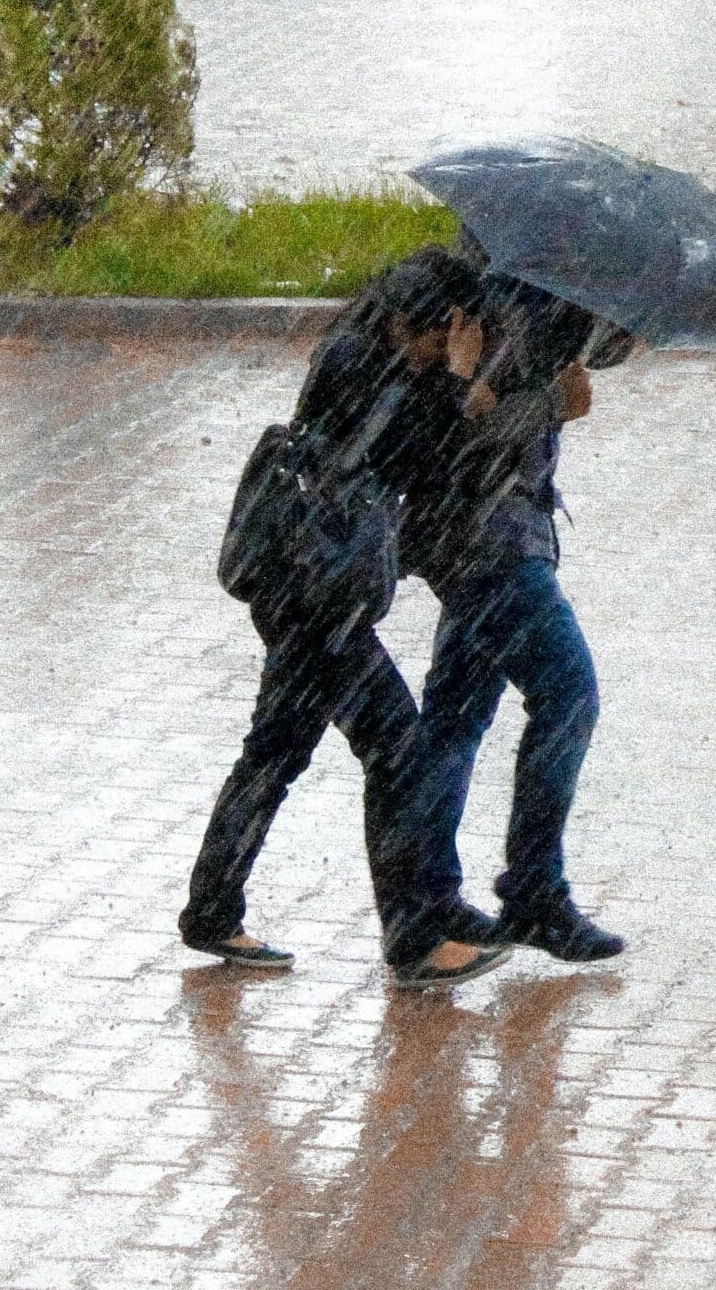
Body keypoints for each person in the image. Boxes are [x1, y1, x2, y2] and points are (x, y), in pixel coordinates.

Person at [178, 247, 511, 990]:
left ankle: (211, 910)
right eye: (450, 334)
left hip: (297, 587)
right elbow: (420, 462)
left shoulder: (363, 351)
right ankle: (414, 939)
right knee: (397, 748)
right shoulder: (369, 366)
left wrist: (453, 388)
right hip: (315, 600)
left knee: (274, 750)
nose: (450, 348)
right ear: (432, 322)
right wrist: (458, 388)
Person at [400, 264, 635, 964]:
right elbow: (457, 438)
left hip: (484, 536)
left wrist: (620, 321)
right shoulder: (487, 302)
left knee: (455, 714)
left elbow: (591, 353)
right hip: (487, 544)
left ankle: (428, 894)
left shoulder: (537, 290)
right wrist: (550, 406)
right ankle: (532, 889)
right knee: (567, 694)